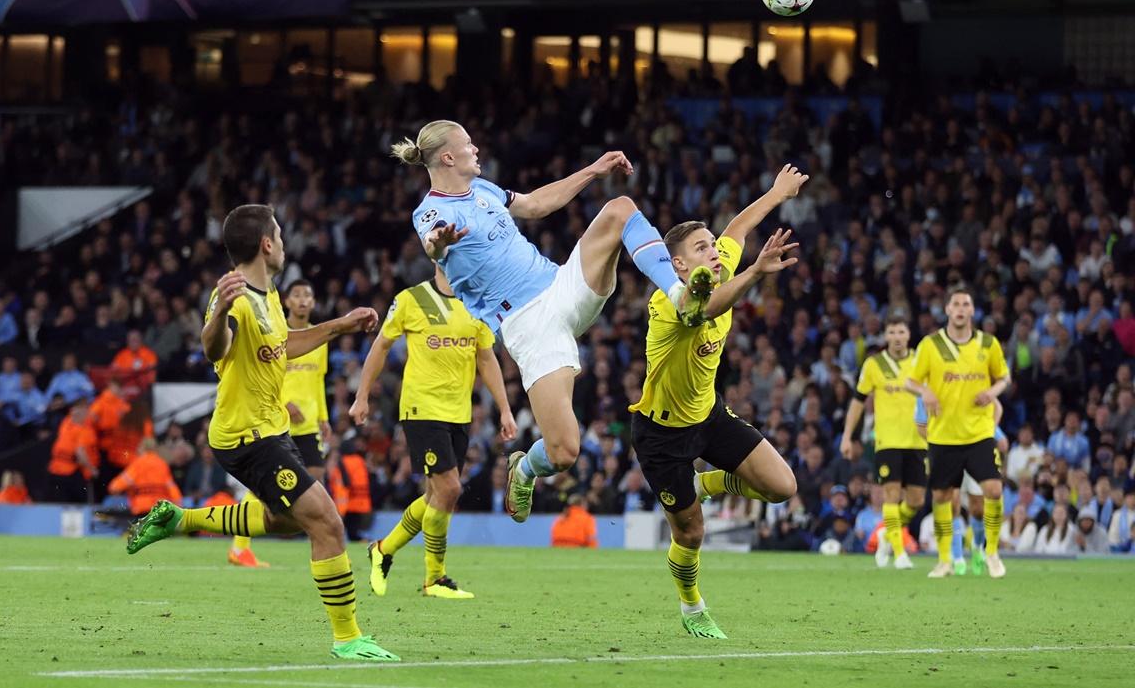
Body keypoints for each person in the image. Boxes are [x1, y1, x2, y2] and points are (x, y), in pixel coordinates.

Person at [395, 121, 738, 524]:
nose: (476, 149)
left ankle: (680, 296)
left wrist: (593, 170)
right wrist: (442, 243)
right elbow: (431, 242)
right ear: (448, 157)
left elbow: (537, 205)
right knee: (564, 452)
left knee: (620, 209)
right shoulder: (433, 210)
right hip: (528, 324)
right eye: (468, 144)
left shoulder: (485, 190)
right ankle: (523, 469)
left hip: (560, 285)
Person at [124, 204, 398, 662]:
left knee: (289, 521)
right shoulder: (233, 298)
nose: (285, 244)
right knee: (327, 521)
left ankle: (181, 519)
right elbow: (217, 343)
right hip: (246, 437)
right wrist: (217, 315)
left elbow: (285, 345)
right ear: (267, 244)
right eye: (280, 236)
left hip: (272, 429)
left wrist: (339, 326)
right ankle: (348, 637)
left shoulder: (268, 294)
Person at [627, 207, 803, 638]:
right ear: (678, 265)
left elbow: (737, 229)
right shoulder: (667, 301)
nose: (715, 251)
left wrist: (777, 193)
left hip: (708, 414)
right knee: (690, 534)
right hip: (661, 435)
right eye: (702, 247)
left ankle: (707, 484)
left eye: (712, 245)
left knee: (782, 487)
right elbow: (705, 310)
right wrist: (757, 272)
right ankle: (692, 607)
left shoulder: (718, 267)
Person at [353, 263, 516, 599]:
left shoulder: (476, 303)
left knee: (435, 496)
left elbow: (486, 358)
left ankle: (383, 549)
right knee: (451, 489)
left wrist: (505, 408)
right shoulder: (411, 300)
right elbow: (381, 346)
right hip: (421, 409)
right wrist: (362, 396)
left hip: (459, 414)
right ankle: (434, 579)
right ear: (436, 258)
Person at [907, 285, 1012, 578]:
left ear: (972, 310)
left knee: (993, 489)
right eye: (956, 304)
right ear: (948, 310)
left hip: (978, 433)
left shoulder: (988, 344)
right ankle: (945, 560)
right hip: (942, 436)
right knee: (942, 499)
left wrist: (992, 392)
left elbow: (1004, 377)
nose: (962, 308)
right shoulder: (931, 344)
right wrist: (925, 391)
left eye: (966, 303)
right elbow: (910, 381)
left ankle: (991, 552)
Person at [228, 278, 333, 569]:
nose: (302, 300)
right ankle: (240, 548)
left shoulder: (318, 339)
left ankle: (322, 546)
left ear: (313, 302)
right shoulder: (276, 333)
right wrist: (283, 401)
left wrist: (324, 417)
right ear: (287, 301)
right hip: (279, 421)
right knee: (265, 486)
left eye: (307, 295)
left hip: (310, 425)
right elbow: (262, 375)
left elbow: (318, 382)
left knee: (315, 484)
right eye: (296, 295)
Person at [840, 313, 923, 571]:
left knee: (916, 501)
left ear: (908, 335)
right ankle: (899, 553)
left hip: (919, 441)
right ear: (885, 336)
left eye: (902, 332)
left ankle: (888, 532)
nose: (897, 337)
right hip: (887, 441)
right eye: (892, 332)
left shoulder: (921, 362)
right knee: (891, 495)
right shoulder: (874, 365)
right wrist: (847, 436)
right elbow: (857, 401)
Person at [108, 438, 182, 515]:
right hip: (160, 509)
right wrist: (178, 504)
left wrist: (113, 488)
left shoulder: (138, 463)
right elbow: (171, 487)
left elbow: (116, 486)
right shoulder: (162, 464)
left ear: (142, 448)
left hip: (142, 507)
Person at [47, 399, 99, 504]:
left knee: (59, 504)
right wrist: (92, 469)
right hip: (70, 472)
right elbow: (80, 453)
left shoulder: (66, 423)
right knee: (77, 504)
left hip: (55, 470)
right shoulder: (84, 431)